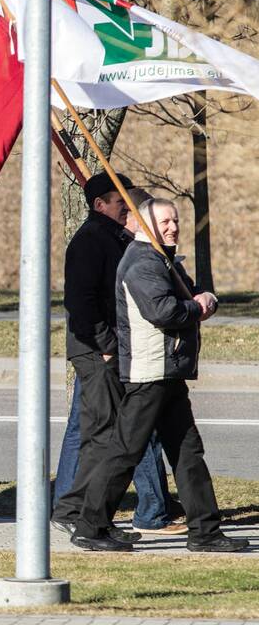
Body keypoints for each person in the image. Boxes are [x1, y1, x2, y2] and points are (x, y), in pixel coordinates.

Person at [70, 198, 247, 553]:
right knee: (125, 451)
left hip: (167, 372)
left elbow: (189, 294)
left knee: (187, 452)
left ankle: (205, 532)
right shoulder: (142, 263)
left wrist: (202, 300)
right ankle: (90, 527)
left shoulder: (161, 259)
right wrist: (197, 307)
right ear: (143, 224)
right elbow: (163, 311)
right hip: (149, 371)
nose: (172, 227)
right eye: (164, 221)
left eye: (176, 221)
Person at [52, 175, 184, 539]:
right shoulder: (91, 242)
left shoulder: (113, 237)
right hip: (98, 351)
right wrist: (108, 346)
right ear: (99, 205)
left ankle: (91, 516)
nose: (127, 207)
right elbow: (82, 302)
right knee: (104, 433)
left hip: (111, 349)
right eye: (119, 202)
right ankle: (74, 511)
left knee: (104, 430)